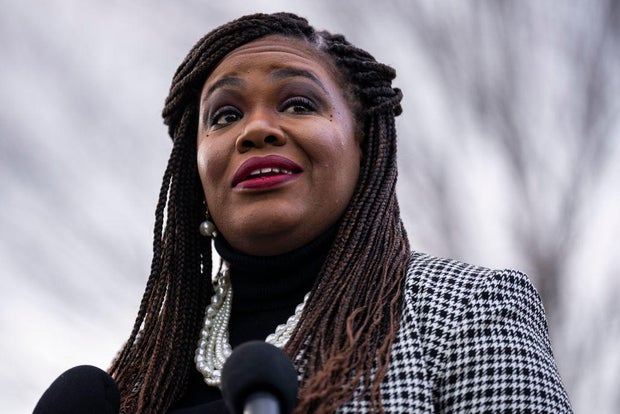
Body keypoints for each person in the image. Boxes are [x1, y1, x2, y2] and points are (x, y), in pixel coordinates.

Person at [108, 12, 572, 413]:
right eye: (225, 115)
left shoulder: (467, 311)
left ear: (364, 146)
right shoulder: (142, 371)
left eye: (298, 104)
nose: (257, 130)